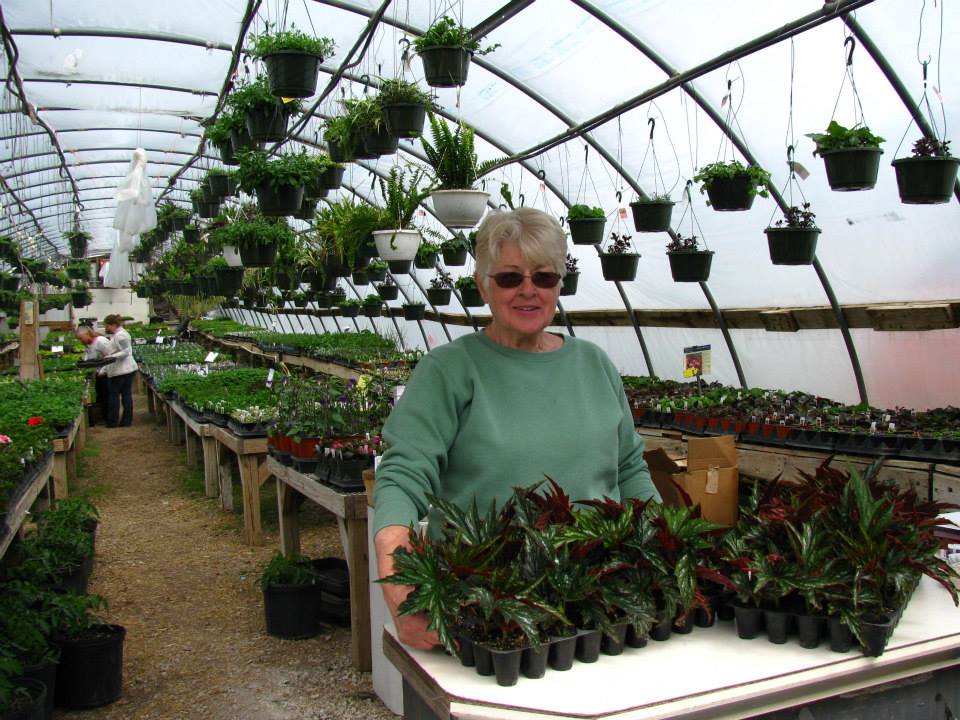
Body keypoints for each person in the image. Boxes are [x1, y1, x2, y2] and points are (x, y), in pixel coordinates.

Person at [373, 208, 661, 650]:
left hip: (599, 599)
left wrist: (666, 555)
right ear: (482, 285)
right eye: (510, 278)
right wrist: (401, 589)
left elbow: (630, 472)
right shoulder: (450, 371)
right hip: (491, 615)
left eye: (543, 277)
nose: (528, 290)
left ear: (560, 285)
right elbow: (404, 476)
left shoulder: (593, 364)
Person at [102, 314, 138, 427]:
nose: (106, 328)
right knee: (126, 395)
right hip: (124, 369)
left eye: (107, 326)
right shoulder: (118, 334)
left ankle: (114, 421)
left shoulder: (121, 335)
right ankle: (125, 421)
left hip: (122, 370)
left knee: (115, 396)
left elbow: (126, 351)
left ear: (112, 325)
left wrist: (111, 357)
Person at [76, 326, 111, 426]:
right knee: (101, 395)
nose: (80, 341)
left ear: (87, 334)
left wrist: (103, 371)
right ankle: (103, 417)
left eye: (81, 338)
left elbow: (110, 357)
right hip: (98, 373)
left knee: (107, 395)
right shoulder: (88, 344)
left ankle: (109, 418)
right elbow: (90, 357)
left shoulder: (101, 341)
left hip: (107, 373)